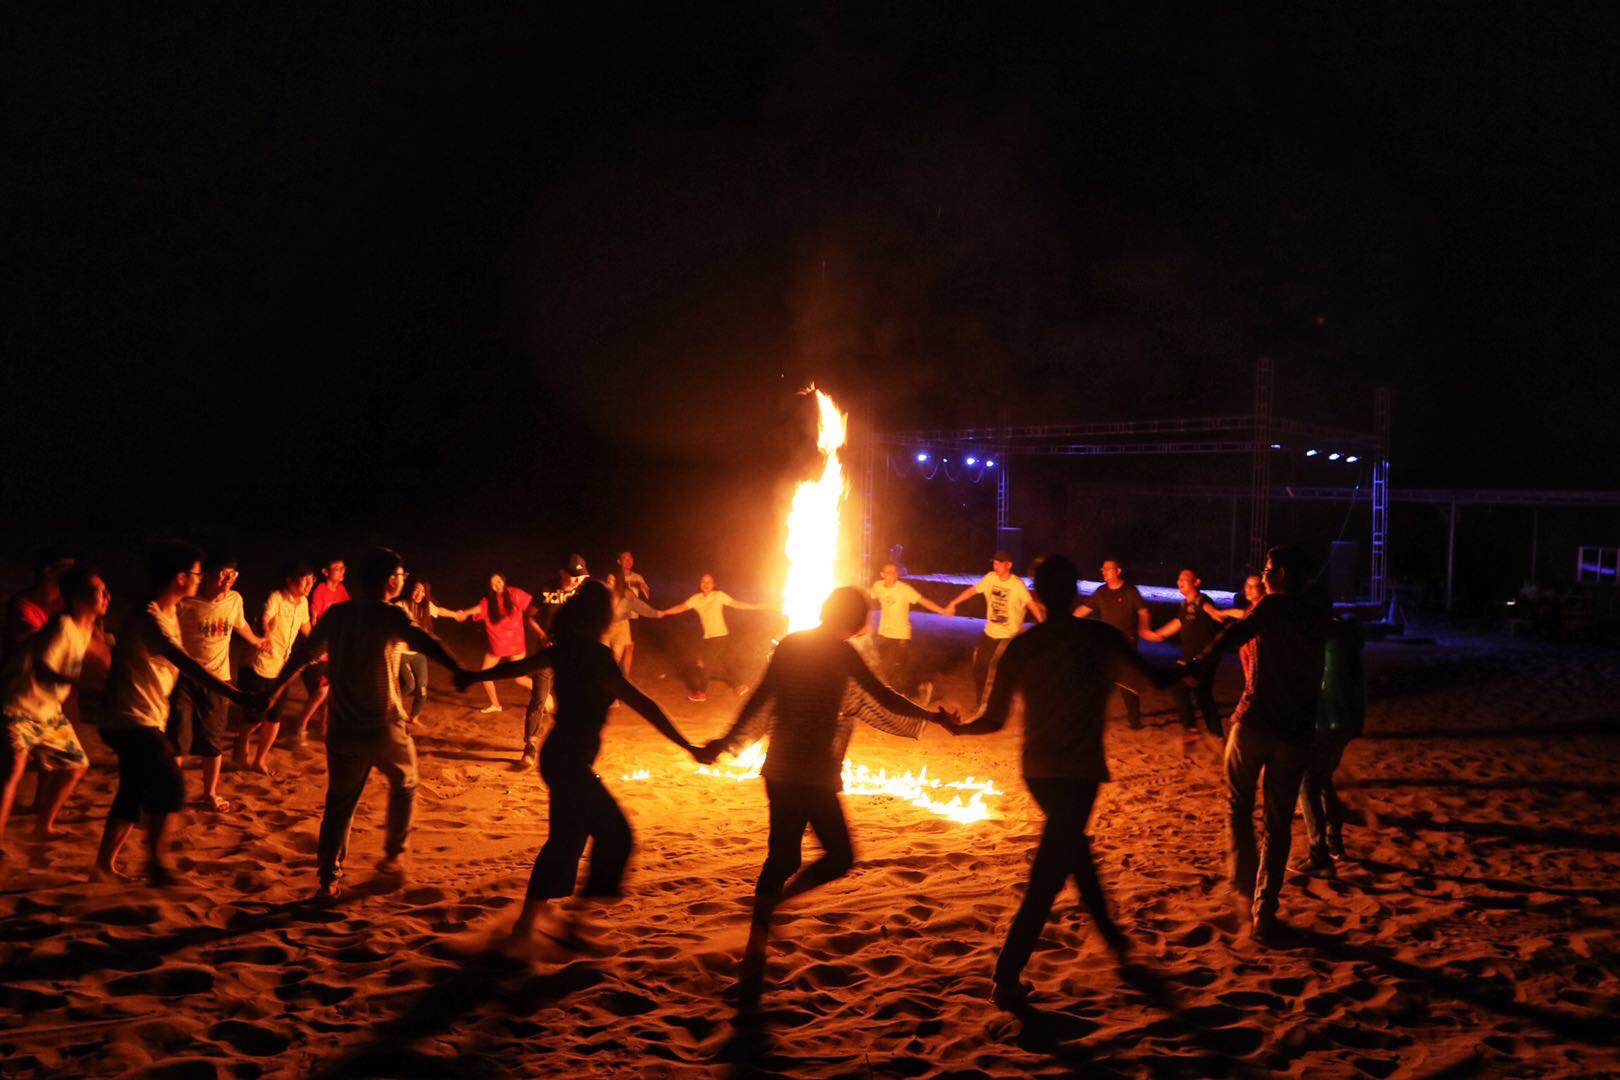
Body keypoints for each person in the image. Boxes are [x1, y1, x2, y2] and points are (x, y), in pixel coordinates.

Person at [697, 587, 958, 998]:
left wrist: (725, 742)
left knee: (783, 856)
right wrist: (932, 716)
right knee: (839, 855)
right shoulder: (841, 653)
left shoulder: (791, 644)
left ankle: (756, 947)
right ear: (854, 619)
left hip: (779, 767)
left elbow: (760, 701)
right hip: (811, 769)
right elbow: (883, 696)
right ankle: (777, 909)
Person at [457, 581, 705, 948]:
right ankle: (573, 925)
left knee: (565, 841)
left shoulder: (565, 648)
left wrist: (474, 676)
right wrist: (688, 746)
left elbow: (520, 667)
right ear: (601, 616)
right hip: (570, 761)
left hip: (558, 756)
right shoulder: (595, 656)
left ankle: (527, 928)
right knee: (616, 834)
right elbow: (644, 705)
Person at [272, 547, 470, 900]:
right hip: (382, 724)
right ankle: (393, 858)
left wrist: (274, 690)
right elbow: (427, 641)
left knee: (339, 805)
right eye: (401, 574)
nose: (404, 580)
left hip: (343, 727)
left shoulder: (337, 614)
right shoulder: (391, 615)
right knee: (406, 781)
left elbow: (303, 656)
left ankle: (328, 880)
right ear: (390, 580)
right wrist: (460, 671)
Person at [92, 541, 263, 885]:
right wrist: (235, 693)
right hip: (129, 718)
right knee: (169, 781)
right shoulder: (149, 614)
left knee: (133, 790)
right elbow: (182, 659)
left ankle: (103, 867)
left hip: (145, 713)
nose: (202, 579)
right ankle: (158, 865)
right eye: (198, 573)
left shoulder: (170, 611)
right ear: (181, 577)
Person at [1185, 546, 1330, 943]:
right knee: (1278, 824)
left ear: (1281, 573)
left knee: (1238, 805)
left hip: (1255, 722)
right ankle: (1264, 910)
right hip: (1296, 731)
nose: (1263, 575)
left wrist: (1201, 662)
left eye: (1267, 570)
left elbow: (1235, 633)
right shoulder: (1316, 614)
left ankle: (1243, 884)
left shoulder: (1273, 605)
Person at [0, 565, 107, 861]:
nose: (106, 596)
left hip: (47, 711)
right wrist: (79, 682)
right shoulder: (62, 625)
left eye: (106, 591)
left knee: (75, 765)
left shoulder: (90, 629)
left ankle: (43, 826)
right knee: (13, 770)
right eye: (98, 591)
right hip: (17, 705)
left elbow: (104, 665)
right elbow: (43, 669)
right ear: (76, 598)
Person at [172, 552, 272, 804]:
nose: (229, 578)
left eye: (233, 574)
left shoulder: (235, 600)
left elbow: (240, 625)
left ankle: (210, 793)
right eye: (223, 573)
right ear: (206, 577)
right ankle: (169, 792)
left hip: (219, 679)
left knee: (213, 738)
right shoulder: (185, 602)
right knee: (178, 737)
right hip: (185, 678)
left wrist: (258, 641)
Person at [1294, 615, 1366, 874]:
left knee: (1308, 782)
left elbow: (1329, 685)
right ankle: (1334, 845)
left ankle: (1318, 852)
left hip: (1331, 723)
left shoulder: (1330, 641)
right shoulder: (1341, 635)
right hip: (1343, 722)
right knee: (1323, 780)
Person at [1145, 568, 1241, 741]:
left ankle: (1191, 729)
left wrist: (1216, 613)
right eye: (1178, 579)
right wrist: (1151, 633)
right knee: (1203, 696)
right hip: (1193, 660)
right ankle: (1217, 735)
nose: (1179, 582)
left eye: (1184, 579)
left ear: (1197, 582)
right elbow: (1170, 629)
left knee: (1179, 687)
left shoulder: (1202, 601)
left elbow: (1209, 609)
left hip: (1204, 660)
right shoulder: (1184, 606)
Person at [237, 561, 315, 766]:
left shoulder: (304, 603)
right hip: (262, 664)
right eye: (305, 578)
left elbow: (305, 627)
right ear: (290, 580)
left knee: (275, 718)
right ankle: (242, 740)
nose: (310, 583)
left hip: (283, 667)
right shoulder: (276, 598)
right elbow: (265, 618)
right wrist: (267, 634)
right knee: (256, 717)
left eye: (312, 579)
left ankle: (259, 760)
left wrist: (322, 643)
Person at [944, 551, 1046, 704]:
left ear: (1009, 565)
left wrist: (1045, 626)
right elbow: (972, 591)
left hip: (1008, 636)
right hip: (989, 632)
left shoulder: (1017, 585)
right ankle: (982, 703)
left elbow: (1031, 605)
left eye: (999, 563)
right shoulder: (990, 578)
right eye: (994, 563)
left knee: (998, 671)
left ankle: (1003, 703)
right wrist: (954, 602)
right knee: (979, 667)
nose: (995, 566)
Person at [519, 555, 591, 765]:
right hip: (546, 655)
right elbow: (529, 616)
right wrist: (542, 635)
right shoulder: (546, 589)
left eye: (580, 576)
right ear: (562, 573)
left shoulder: (583, 592)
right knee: (539, 699)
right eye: (573, 576)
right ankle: (530, 746)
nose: (577, 580)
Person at [658, 573, 769, 702]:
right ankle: (740, 685)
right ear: (700, 585)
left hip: (720, 636)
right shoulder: (696, 599)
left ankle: (701, 693)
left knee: (707, 664)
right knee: (726, 660)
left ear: (713, 584)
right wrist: (665, 612)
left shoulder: (719, 595)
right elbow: (681, 607)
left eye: (709, 582)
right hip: (709, 636)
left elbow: (736, 603)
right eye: (703, 582)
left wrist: (754, 606)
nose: (706, 584)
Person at [1074, 559, 1153, 729]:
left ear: (1118, 571)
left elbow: (1144, 612)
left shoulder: (1130, 591)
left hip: (1127, 642)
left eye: (1108, 569)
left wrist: (1144, 628)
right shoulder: (1101, 592)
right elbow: (1083, 610)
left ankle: (1134, 721)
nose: (1104, 572)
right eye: (1102, 569)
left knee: (1127, 682)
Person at [393, 577, 473, 721]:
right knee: (409, 686)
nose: (419, 594)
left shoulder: (426, 606)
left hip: (419, 653)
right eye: (416, 589)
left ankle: (414, 718)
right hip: (402, 652)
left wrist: (455, 614)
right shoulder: (400, 605)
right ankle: (391, 706)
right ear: (410, 589)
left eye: (423, 591)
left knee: (422, 690)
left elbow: (440, 611)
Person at [288, 558, 349, 745]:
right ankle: (301, 726)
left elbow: (348, 615)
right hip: (316, 647)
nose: (341, 571)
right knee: (322, 691)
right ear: (325, 571)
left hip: (333, 648)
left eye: (343, 568)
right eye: (337, 568)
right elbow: (312, 623)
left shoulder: (341, 591)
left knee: (333, 690)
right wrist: (317, 649)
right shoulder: (319, 592)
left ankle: (325, 728)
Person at [870, 561, 947, 701]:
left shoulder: (905, 590)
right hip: (883, 634)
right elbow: (869, 597)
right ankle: (921, 687)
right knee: (884, 667)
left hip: (900, 635)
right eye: (888, 572)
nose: (891, 575)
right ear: (882, 575)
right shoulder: (878, 586)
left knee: (890, 668)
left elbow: (923, 600)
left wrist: (942, 610)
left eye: (894, 572)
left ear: (897, 574)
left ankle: (902, 698)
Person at [471, 571, 533, 716]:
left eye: (498, 581)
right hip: (498, 645)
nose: (496, 585)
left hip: (515, 644)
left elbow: (533, 605)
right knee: (484, 674)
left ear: (504, 581)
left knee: (519, 679)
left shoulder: (515, 593)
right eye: (493, 584)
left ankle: (543, 694)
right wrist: (460, 614)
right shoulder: (488, 601)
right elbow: (477, 610)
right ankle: (495, 704)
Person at [3, 548, 76, 664]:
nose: (73, 574)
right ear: (48, 571)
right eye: (67, 567)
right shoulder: (22, 606)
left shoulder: (68, 603)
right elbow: (43, 648)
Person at [605, 565, 658, 677]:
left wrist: (656, 613)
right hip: (607, 626)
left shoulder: (634, 581)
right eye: (608, 579)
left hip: (626, 622)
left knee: (621, 653)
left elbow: (642, 602)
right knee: (606, 654)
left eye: (612, 579)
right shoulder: (604, 593)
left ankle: (624, 678)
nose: (609, 581)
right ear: (619, 561)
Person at [612, 551, 651, 676]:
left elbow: (647, 595)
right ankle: (611, 677)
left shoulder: (638, 577)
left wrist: (643, 586)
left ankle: (626, 678)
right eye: (625, 558)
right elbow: (609, 593)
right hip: (619, 618)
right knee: (617, 651)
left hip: (633, 616)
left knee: (630, 648)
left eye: (630, 558)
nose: (628, 561)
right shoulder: (614, 576)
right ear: (619, 561)